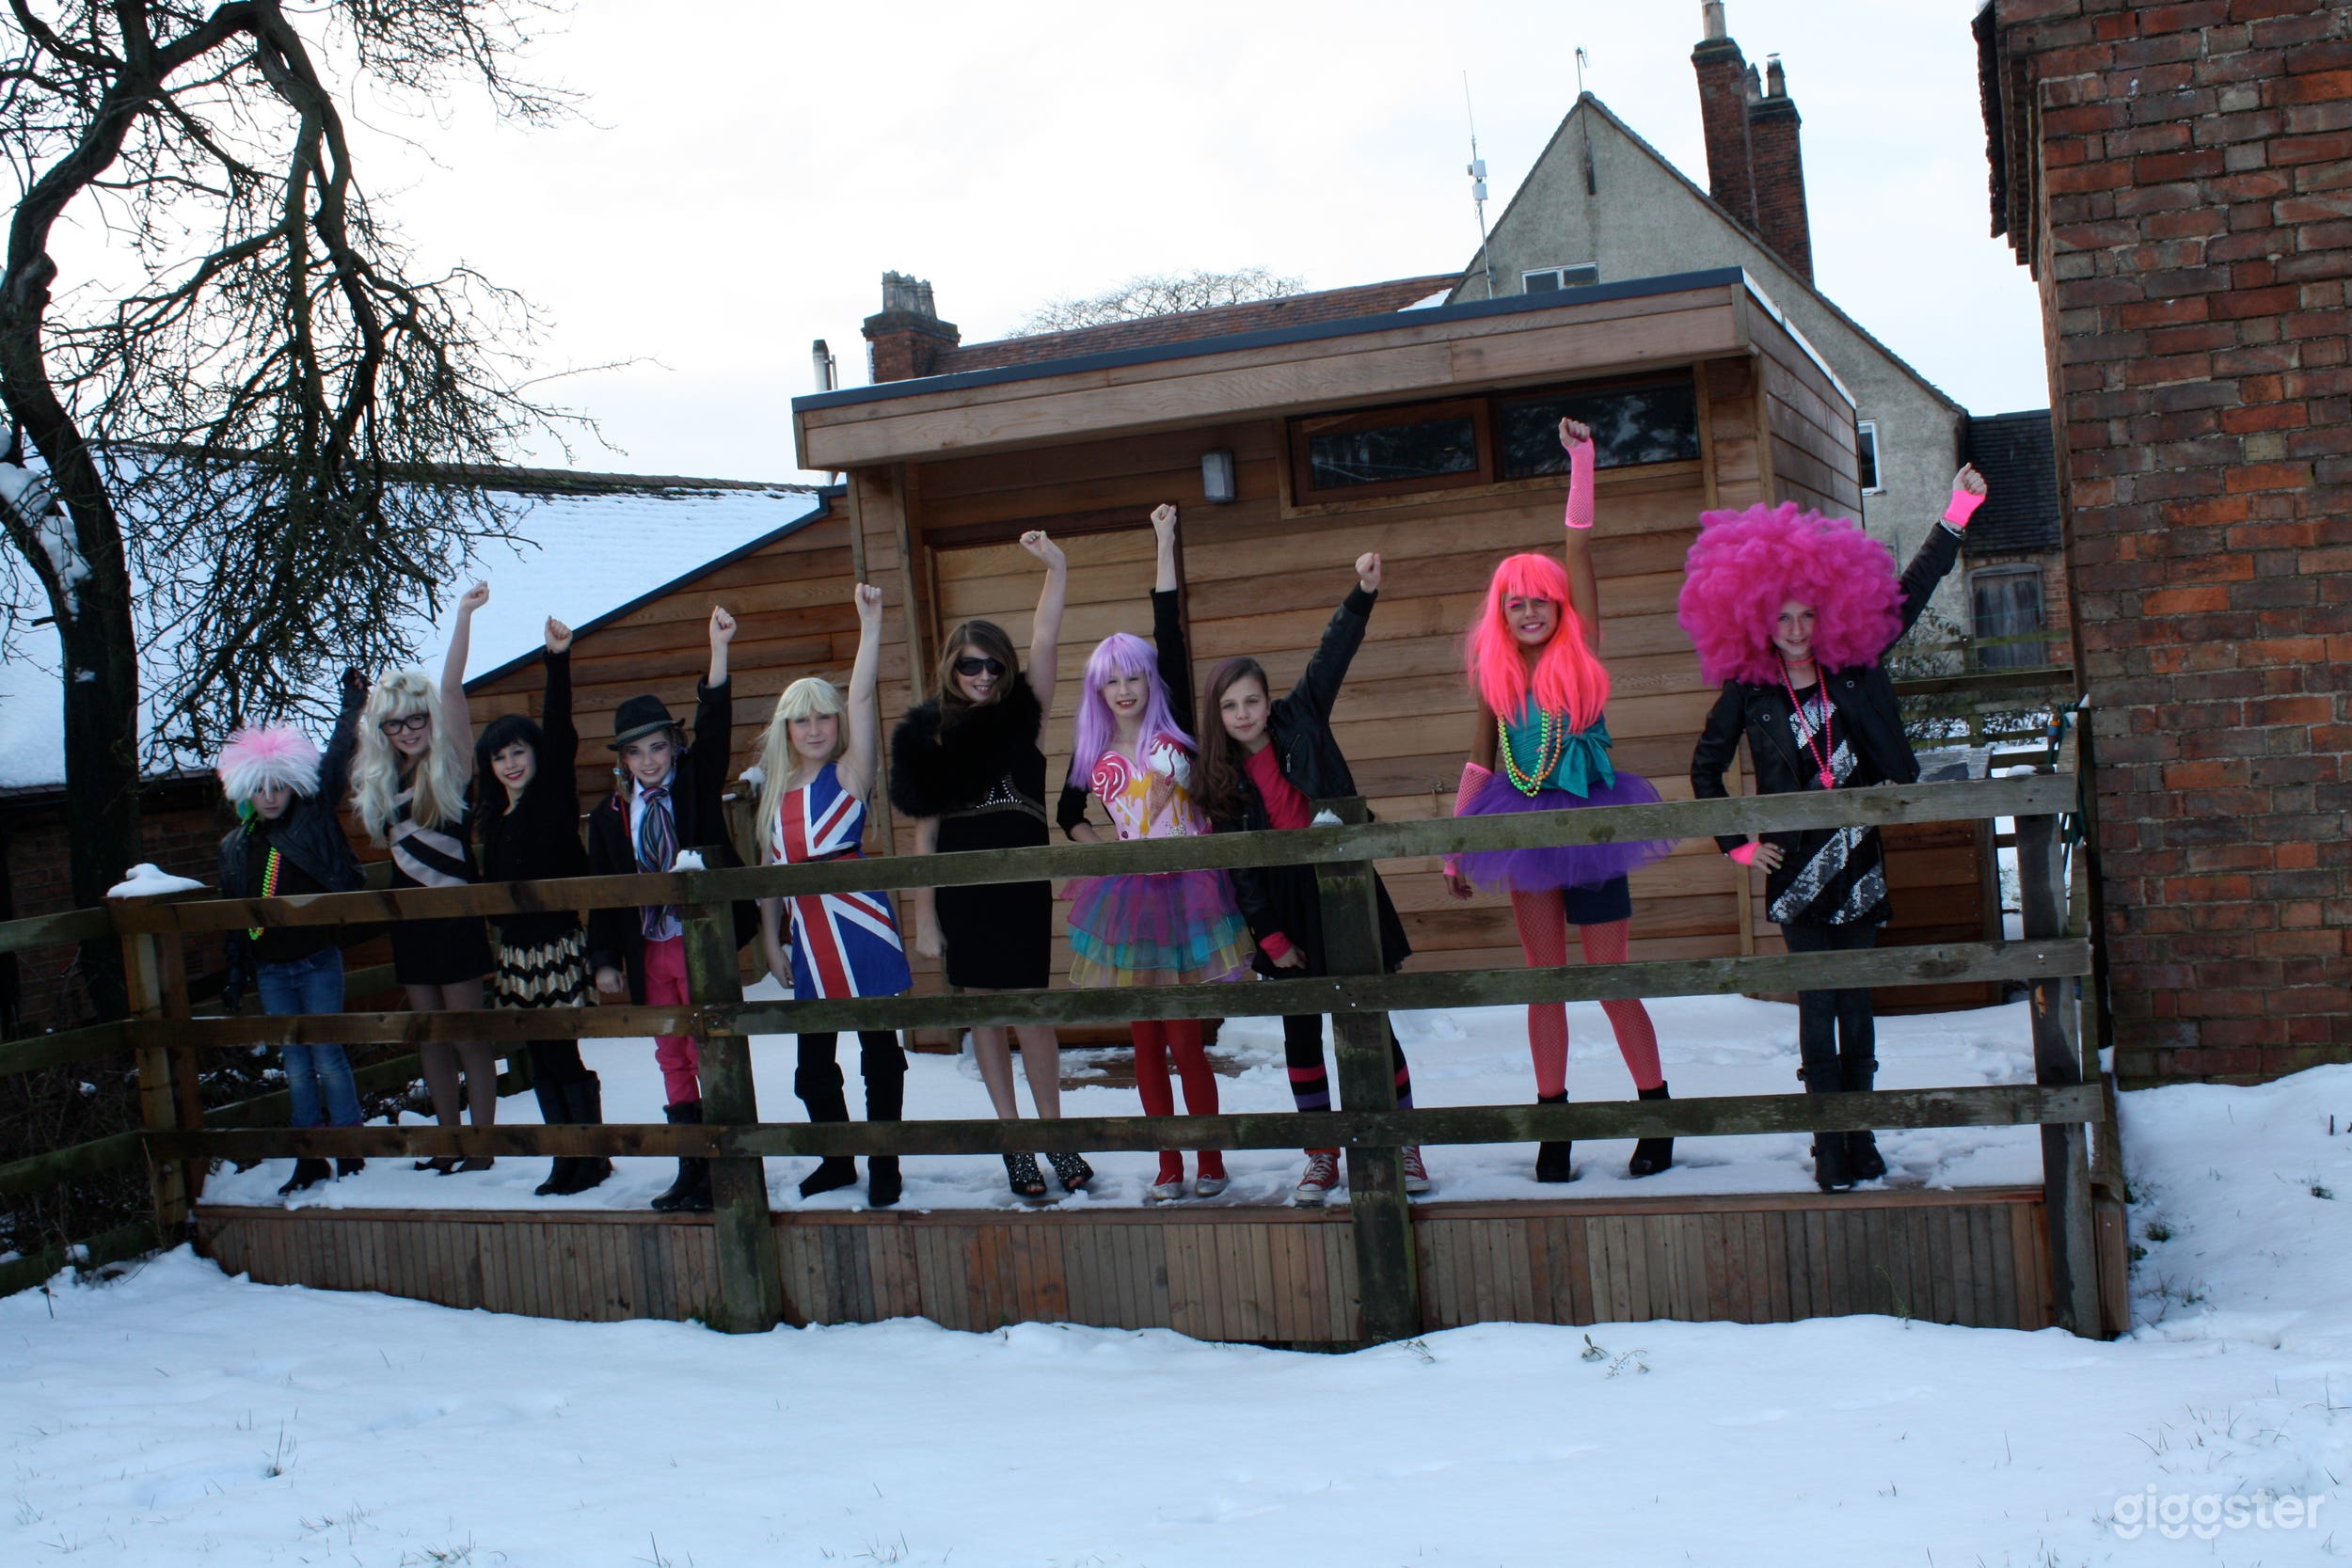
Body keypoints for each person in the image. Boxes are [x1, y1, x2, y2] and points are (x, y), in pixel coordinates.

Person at [1683, 464, 1991, 1192]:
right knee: (1816, 1004)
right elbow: (1704, 771)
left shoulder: (1854, 668)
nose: (1794, 630)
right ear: (1758, 618)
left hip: (1858, 858)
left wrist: (1957, 511)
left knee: (1857, 998)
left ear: (1828, 612)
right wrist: (1739, 844)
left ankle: (1863, 1134)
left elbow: (1909, 595)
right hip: (1792, 869)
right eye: (1781, 618)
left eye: (1806, 616)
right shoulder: (1749, 692)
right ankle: (1829, 1139)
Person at [1446, 419, 1678, 1184]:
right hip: (1522, 831)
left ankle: (1656, 1113)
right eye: (1515, 604)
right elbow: (1481, 764)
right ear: (1501, 615)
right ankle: (1555, 1126)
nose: (1529, 612)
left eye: (1540, 600)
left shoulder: (1582, 651)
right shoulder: (1496, 681)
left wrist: (1582, 462)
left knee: (1608, 974)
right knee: (1544, 979)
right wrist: (1457, 843)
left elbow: (1580, 548)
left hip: (1592, 822)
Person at [1194, 552, 1431, 1207]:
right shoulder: (1220, 778)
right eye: (1231, 705)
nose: (1245, 713)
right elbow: (1240, 868)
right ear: (1219, 713)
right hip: (1283, 904)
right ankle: (1322, 1153)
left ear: (1268, 700)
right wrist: (1269, 936)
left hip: (1341, 885)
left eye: (1252, 700)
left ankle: (1403, 1139)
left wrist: (1362, 593)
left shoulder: (1302, 717)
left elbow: (1333, 654)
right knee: (1302, 1031)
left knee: (1369, 1023)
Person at [1057, 503, 1251, 1203]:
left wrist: (1165, 542)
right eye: (1113, 680)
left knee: (1185, 1037)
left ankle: (1211, 1161)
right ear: (1099, 691)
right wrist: (1104, 850)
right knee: (1143, 1039)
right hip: (1132, 898)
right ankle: (1168, 1165)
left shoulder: (1176, 738)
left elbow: (1169, 623)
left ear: (1149, 679)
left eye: (1134, 676)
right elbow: (1066, 815)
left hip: (1190, 893)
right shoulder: (1094, 755)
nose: (1126, 688)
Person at [889, 532, 1090, 1203]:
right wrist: (924, 915)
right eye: (972, 666)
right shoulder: (933, 736)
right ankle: (1016, 1145)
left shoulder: (1023, 721)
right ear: (952, 667)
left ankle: (1057, 1134)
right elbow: (926, 830)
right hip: (963, 893)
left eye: (994, 668)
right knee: (986, 1015)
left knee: (1032, 1011)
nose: (983, 676)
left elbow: (1046, 639)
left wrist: (1056, 569)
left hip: (1021, 888)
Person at [755, 583, 913, 1208]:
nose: (815, 727)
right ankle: (837, 1157)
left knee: (880, 1056)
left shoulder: (851, 771)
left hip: (860, 923)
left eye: (824, 716)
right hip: (808, 935)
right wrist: (771, 938)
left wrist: (869, 624)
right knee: (812, 1066)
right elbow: (769, 869)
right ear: (787, 728)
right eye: (803, 718)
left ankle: (885, 1161)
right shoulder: (770, 788)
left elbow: (866, 695)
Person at [586, 605, 746, 1214]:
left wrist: (718, 651)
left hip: (696, 938)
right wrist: (604, 958)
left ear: (674, 745)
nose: (650, 760)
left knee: (712, 1045)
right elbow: (603, 887)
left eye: (659, 746)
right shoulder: (610, 817)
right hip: (648, 946)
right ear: (623, 760)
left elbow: (718, 724)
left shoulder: (693, 782)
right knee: (671, 1051)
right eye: (637, 752)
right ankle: (692, 1166)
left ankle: (728, 1158)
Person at [351, 582, 498, 1174]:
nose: (409, 729)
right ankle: (447, 1140)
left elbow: (454, 687)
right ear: (383, 731)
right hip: (410, 922)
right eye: (396, 723)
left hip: (456, 916)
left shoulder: (452, 763)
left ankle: (481, 1145)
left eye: (416, 718)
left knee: (466, 1031)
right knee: (431, 1035)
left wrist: (462, 616)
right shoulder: (380, 783)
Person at [216, 669, 371, 1197]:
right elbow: (232, 913)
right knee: (295, 1062)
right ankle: (309, 1157)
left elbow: (333, 763)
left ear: (291, 783)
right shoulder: (236, 846)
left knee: (328, 1052)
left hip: (317, 958)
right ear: (244, 791)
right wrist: (236, 973)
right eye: (258, 788)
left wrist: (351, 705)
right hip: (272, 968)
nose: (269, 795)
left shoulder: (311, 818)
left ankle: (349, 1147)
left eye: (277, 784)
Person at [475, 611, 610, 1198]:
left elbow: (560, 731)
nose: (511, 763)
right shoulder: (492, 819)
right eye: (500, 756)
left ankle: (589, 1156)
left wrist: (557, 659)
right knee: (538, 1057)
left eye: (518, 751)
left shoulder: (550, 796)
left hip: (555, 945)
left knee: (562, 1053)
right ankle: (566, 1157)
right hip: (516, 955)